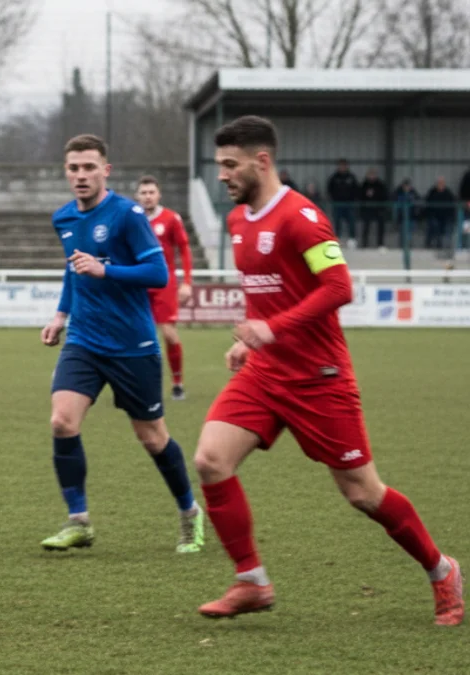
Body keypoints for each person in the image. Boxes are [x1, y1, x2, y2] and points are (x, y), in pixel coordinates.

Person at [196, 115, 462, 625]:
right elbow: (263, 288)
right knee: (211, 460)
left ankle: (440, 568)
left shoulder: (303, 217)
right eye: (220, 165)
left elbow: (340, 288)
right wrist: (252, 341)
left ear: (262, 161)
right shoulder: (236, 222)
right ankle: (251, 580)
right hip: (265, 374)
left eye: (231, 165)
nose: (223, 175)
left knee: (362, 493)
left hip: (319, 378)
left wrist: (272, 329)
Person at [39, 134, 204, 555]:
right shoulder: (63, 218)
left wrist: (105, 270)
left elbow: (157, 273)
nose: (81, 175)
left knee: (152, 437)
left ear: (105, 170)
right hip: (84, 340)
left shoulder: (128, 214)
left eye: (89, 167)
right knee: (62, 421)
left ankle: (189, 513)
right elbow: (73, 270)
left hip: (133, 344)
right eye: (74, 168)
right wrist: (61, 314)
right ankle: (78, 520)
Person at [135, 175, 193, 401]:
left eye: (151, 192)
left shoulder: (171, 219)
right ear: (138, 196)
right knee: (136, 336)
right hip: (138, 284)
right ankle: (139, 384)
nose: (148, 196)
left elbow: (184, 249)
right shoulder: (133, 218)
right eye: (144, 193)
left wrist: (187, 282)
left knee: (168, 333)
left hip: (163, 284)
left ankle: (177, 382)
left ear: (158, 195)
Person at [326, 159, 360, 246]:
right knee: (337, 222)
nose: (342, 168)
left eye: (344, 166)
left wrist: (353, 199)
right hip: (337, 204)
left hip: (349, 204)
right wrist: (334, 199)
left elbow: (356, 189)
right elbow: (330, 190)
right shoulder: (334, 178)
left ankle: (352, 240)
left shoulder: (351, 177)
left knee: (351, 222)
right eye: (340, 166)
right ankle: (337, 239)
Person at [359, 168, 390, 250]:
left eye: (373, 175)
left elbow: (384, 196)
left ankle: (380, 244)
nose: (372, 176)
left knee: (381, 226)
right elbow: (360, 196)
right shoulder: (364, 184)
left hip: (378, 209)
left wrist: (375, 194)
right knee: (366, 226)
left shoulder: (380, 184)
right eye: (370, 175)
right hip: (367, 209)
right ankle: (364, 244)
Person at [424, 177, 456, 251]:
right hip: (434, 216)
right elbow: (427, 205)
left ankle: (447, 246)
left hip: (445, 217)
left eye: (442, 183)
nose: (440, 185)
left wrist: (450, 216)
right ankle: (435, 244)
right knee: (434, 225)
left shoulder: (448, 193)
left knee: (449, 226)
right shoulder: (432, 192)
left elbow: (452, 206)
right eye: (439, 183)